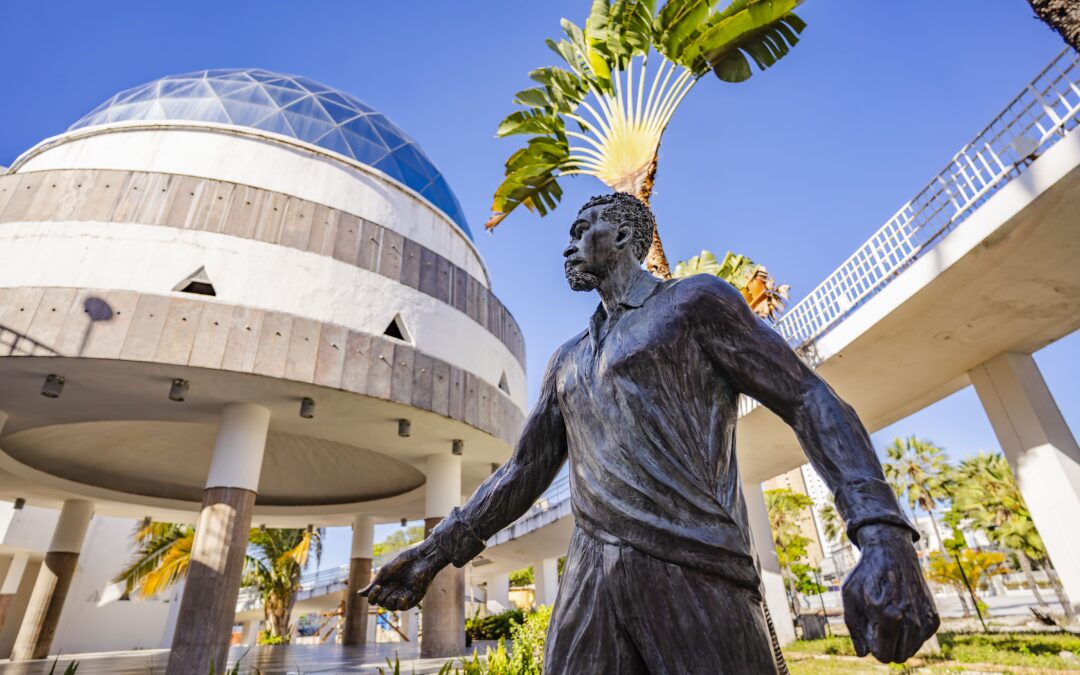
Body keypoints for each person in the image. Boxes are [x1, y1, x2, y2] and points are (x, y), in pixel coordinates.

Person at [364, 193, 939, 673]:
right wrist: (434, 550)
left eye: (583, 227)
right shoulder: (566, 361)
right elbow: (522, 472)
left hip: (696, 568)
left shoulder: (694, 303)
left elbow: (809, 397)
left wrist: (882, 532)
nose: (568, 241)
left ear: (624, 236)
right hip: (590, 577)